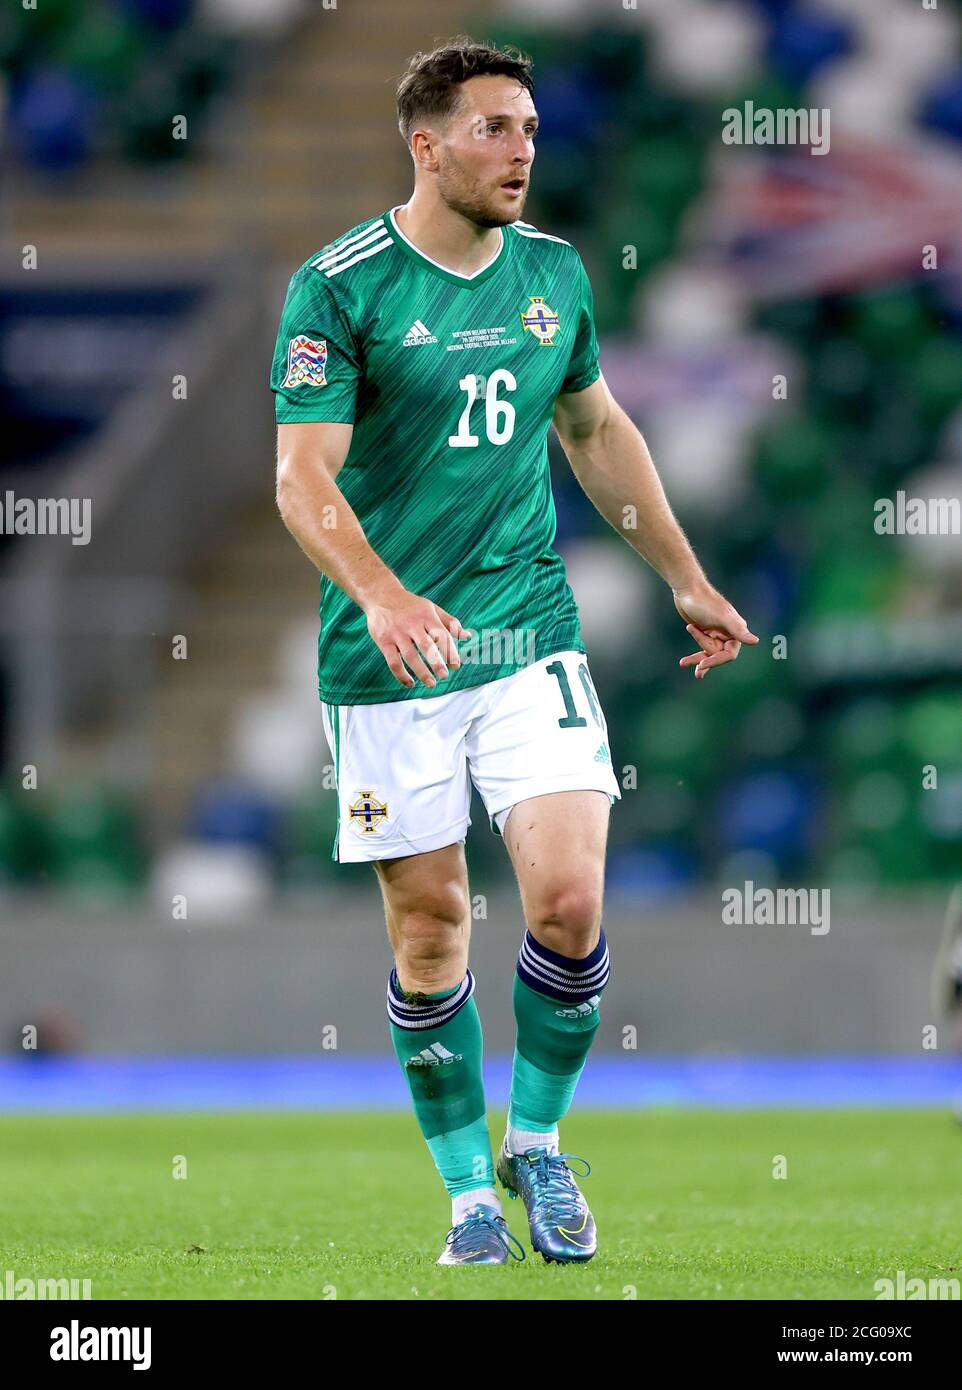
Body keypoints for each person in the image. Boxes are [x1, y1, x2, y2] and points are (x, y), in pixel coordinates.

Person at [272, 37, 757, 1265]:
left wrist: (683, 576)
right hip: (390, 662)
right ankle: (464, 1200)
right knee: (433, 933)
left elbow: (593, 426)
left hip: (524, 635)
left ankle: (534, 1147)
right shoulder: (339, 287)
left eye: (530, 128)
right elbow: (300, 475)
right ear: (425, 145)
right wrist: (380, 595)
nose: (522, 150)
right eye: (494, 128)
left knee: (569, 901)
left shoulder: (551, 272)